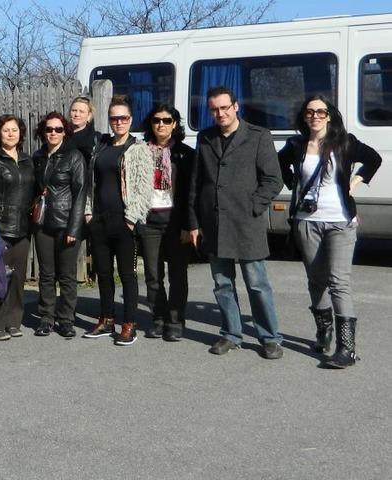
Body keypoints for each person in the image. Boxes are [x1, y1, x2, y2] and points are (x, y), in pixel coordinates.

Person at [278, 95, 382, 368]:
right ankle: (324, 332)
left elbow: (374, 159)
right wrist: (292, 183)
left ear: (329, 115)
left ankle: (346, 348)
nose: (315, 116)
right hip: (306, 221)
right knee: (316, 280)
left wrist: (357, 180)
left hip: (340, 221)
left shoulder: (345, 142)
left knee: (339, 282)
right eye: (310, 112)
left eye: (321, 112)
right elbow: (278, 165)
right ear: (304, 117)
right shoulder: (296, 145)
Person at [187, 86, 285, 359]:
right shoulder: (205, 138)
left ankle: (269, 337)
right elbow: (196, 183)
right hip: (214, 224)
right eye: (215, 110)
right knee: (222, 284)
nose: (220, 113)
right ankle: (231, 334)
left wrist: (253, 206)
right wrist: (194, 222)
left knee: (257, 284)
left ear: (236, 106)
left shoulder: (258, 136)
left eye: (224, 108)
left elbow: (273, 179)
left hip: (246, 224)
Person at [81, 95, 154, 346]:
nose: (119, 122)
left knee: (127, 274)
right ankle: (106, 319)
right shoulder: (101, 147)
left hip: (124, 221)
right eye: (114, 118)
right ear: (109, 120)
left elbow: (145, 189)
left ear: (130, 120)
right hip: (99, 220)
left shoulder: (139, 149)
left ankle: (129, 324)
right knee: (103, 273)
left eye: (123, 118)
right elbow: (92, 184)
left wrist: (132, 219)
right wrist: (89, 212)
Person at [136, 104, 196, 342]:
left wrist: (188, 224)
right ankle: (158, 318)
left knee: (178, 274)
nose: (161, 124)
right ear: (150, 124)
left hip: (175, 221)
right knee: (152, 273)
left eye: (167, 120)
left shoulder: (186, 154)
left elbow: (191, 194)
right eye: (156, 120)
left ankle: (175, 320)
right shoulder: (139, 152)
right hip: (149, 220)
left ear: (175, 124)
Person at [0, 114, 36, 341]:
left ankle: (14, 321)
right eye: (6, 130)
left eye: (15, 130)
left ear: (21, 133)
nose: (11, 134)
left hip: (23, 227)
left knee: (19, 278)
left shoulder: (27, 160)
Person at [31, 112, 87, 338]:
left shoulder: (74, 157)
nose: (53, 133)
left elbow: (81, 193)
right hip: (43, 222)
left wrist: (74, 228)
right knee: (46, 274)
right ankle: (46, 318)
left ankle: (66, 319)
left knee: (67, 275)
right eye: (49, 129)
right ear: (43, 132)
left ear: (65, 132)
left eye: (58, 129)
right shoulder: (38, 156)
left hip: (66, 223)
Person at [67, 96, 98, 162]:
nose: (77, 114)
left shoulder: (96, 139)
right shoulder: (60, 134)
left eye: (81, 111)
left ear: (89, 116)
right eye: (74, 110)